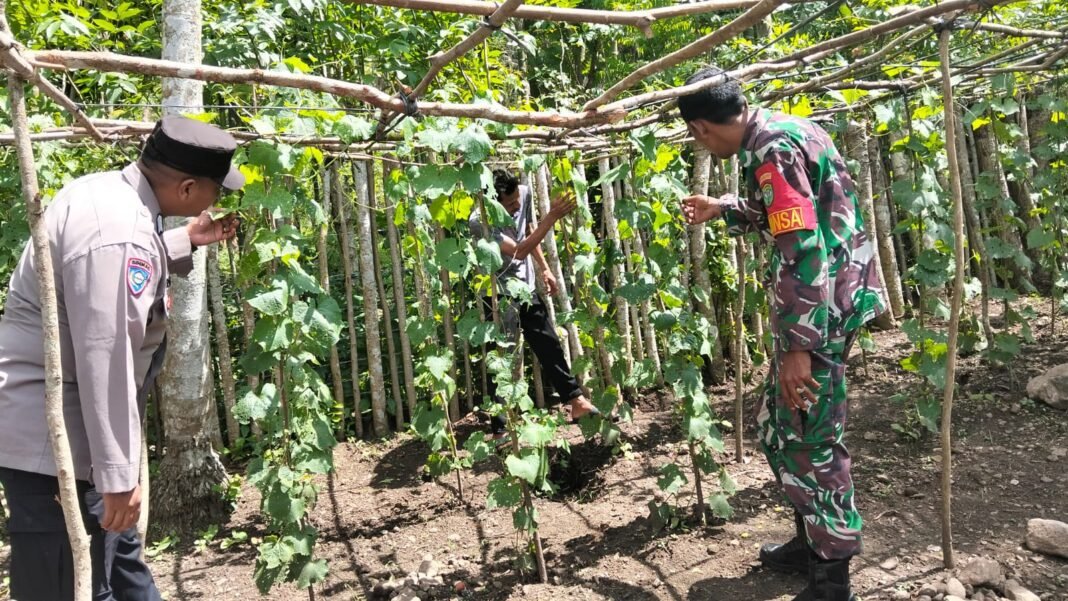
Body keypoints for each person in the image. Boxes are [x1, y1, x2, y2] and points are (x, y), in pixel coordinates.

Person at [0, 115, 243, 601]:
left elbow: (109, 267)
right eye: (217, 190)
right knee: (66, 585)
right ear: (189, 188)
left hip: (66, 430)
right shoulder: (121, 237)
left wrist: (183, 241)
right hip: (56, 450)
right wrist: (117, 476)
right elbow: (105, 357)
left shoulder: (106, 193)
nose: (218, 201)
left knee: (121, 571)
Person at [678, 66, 887, 601]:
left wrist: (800, 348)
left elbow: (805, 248)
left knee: (812, 438)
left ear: (701, 127)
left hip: (820, 313)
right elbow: (791, 210)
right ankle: (812, 541)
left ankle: (831, 576)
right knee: (780, 426)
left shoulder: (770, 150)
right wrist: (724, 206)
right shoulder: (785, 128)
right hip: (832, 299)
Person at [469, 169, 600, 440]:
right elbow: (518, 250)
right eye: (510, 205)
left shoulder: (524, 193)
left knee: (548, 343)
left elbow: (529, 229)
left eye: (517, 199)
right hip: (499, 293)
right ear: (493, 203)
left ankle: (576, 402)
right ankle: (501, 427)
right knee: (504, 356)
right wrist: (552, 216)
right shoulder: (479, 221)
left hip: (526, 287)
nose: (516, 206)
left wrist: (545, 269)